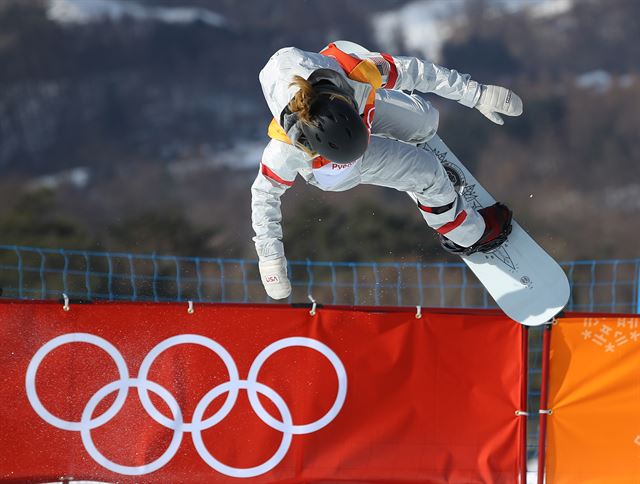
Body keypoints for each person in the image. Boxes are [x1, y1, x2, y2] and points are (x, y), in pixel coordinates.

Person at [252, 41, 522, 300]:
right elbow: (264, 196)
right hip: (331, 168)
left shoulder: (355, 71)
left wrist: (477, 94)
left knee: (427, 120)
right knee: (427, 171)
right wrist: (271, 260)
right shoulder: (286, 149)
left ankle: (398, 154)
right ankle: (465, 234)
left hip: (359, 107)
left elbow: (417, 73)